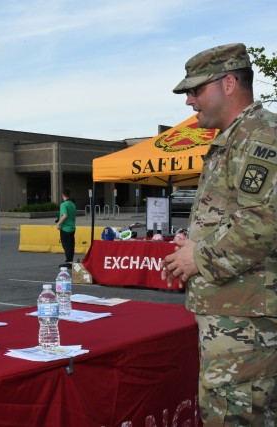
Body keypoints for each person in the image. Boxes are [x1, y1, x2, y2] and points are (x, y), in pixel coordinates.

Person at [162, 43, 277, 425]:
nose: (189, 101)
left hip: (247, 321)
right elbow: (232, 216)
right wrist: (192, 244)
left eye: (196, 90)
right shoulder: (234, 137)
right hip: (236, 313)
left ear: (228, 83)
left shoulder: (261, 137)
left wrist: (199, 256)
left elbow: (264, 221)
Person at [55, 188, 76, 267]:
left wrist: (58, 224)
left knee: (66, 246)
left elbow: (65, 215)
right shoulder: (73, 204)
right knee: (71, 245)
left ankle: (68, 262)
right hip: (72, 228)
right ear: (69, 195)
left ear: (63, 195)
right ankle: (70, 261)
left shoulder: (63, 205)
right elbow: (71, 216)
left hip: (65, 229)